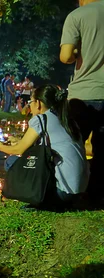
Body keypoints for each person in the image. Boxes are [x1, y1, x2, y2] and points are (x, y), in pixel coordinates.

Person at [0, 84, 89, 208]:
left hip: (62, 193)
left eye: (30, 102)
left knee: (11, 161)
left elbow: (20, 150)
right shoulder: (67, 120)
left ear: (38, 103)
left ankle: (39, 198)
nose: (30, 106)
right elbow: (38, 146)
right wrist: (17, 140)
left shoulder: (41, 119)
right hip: (78, 192)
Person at [60, 0, 104, 202]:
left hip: (84, 93)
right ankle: (97, 196)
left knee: (71, 146)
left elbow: (66, 56)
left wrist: (79, 51)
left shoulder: (77, 16)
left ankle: (69, 194)